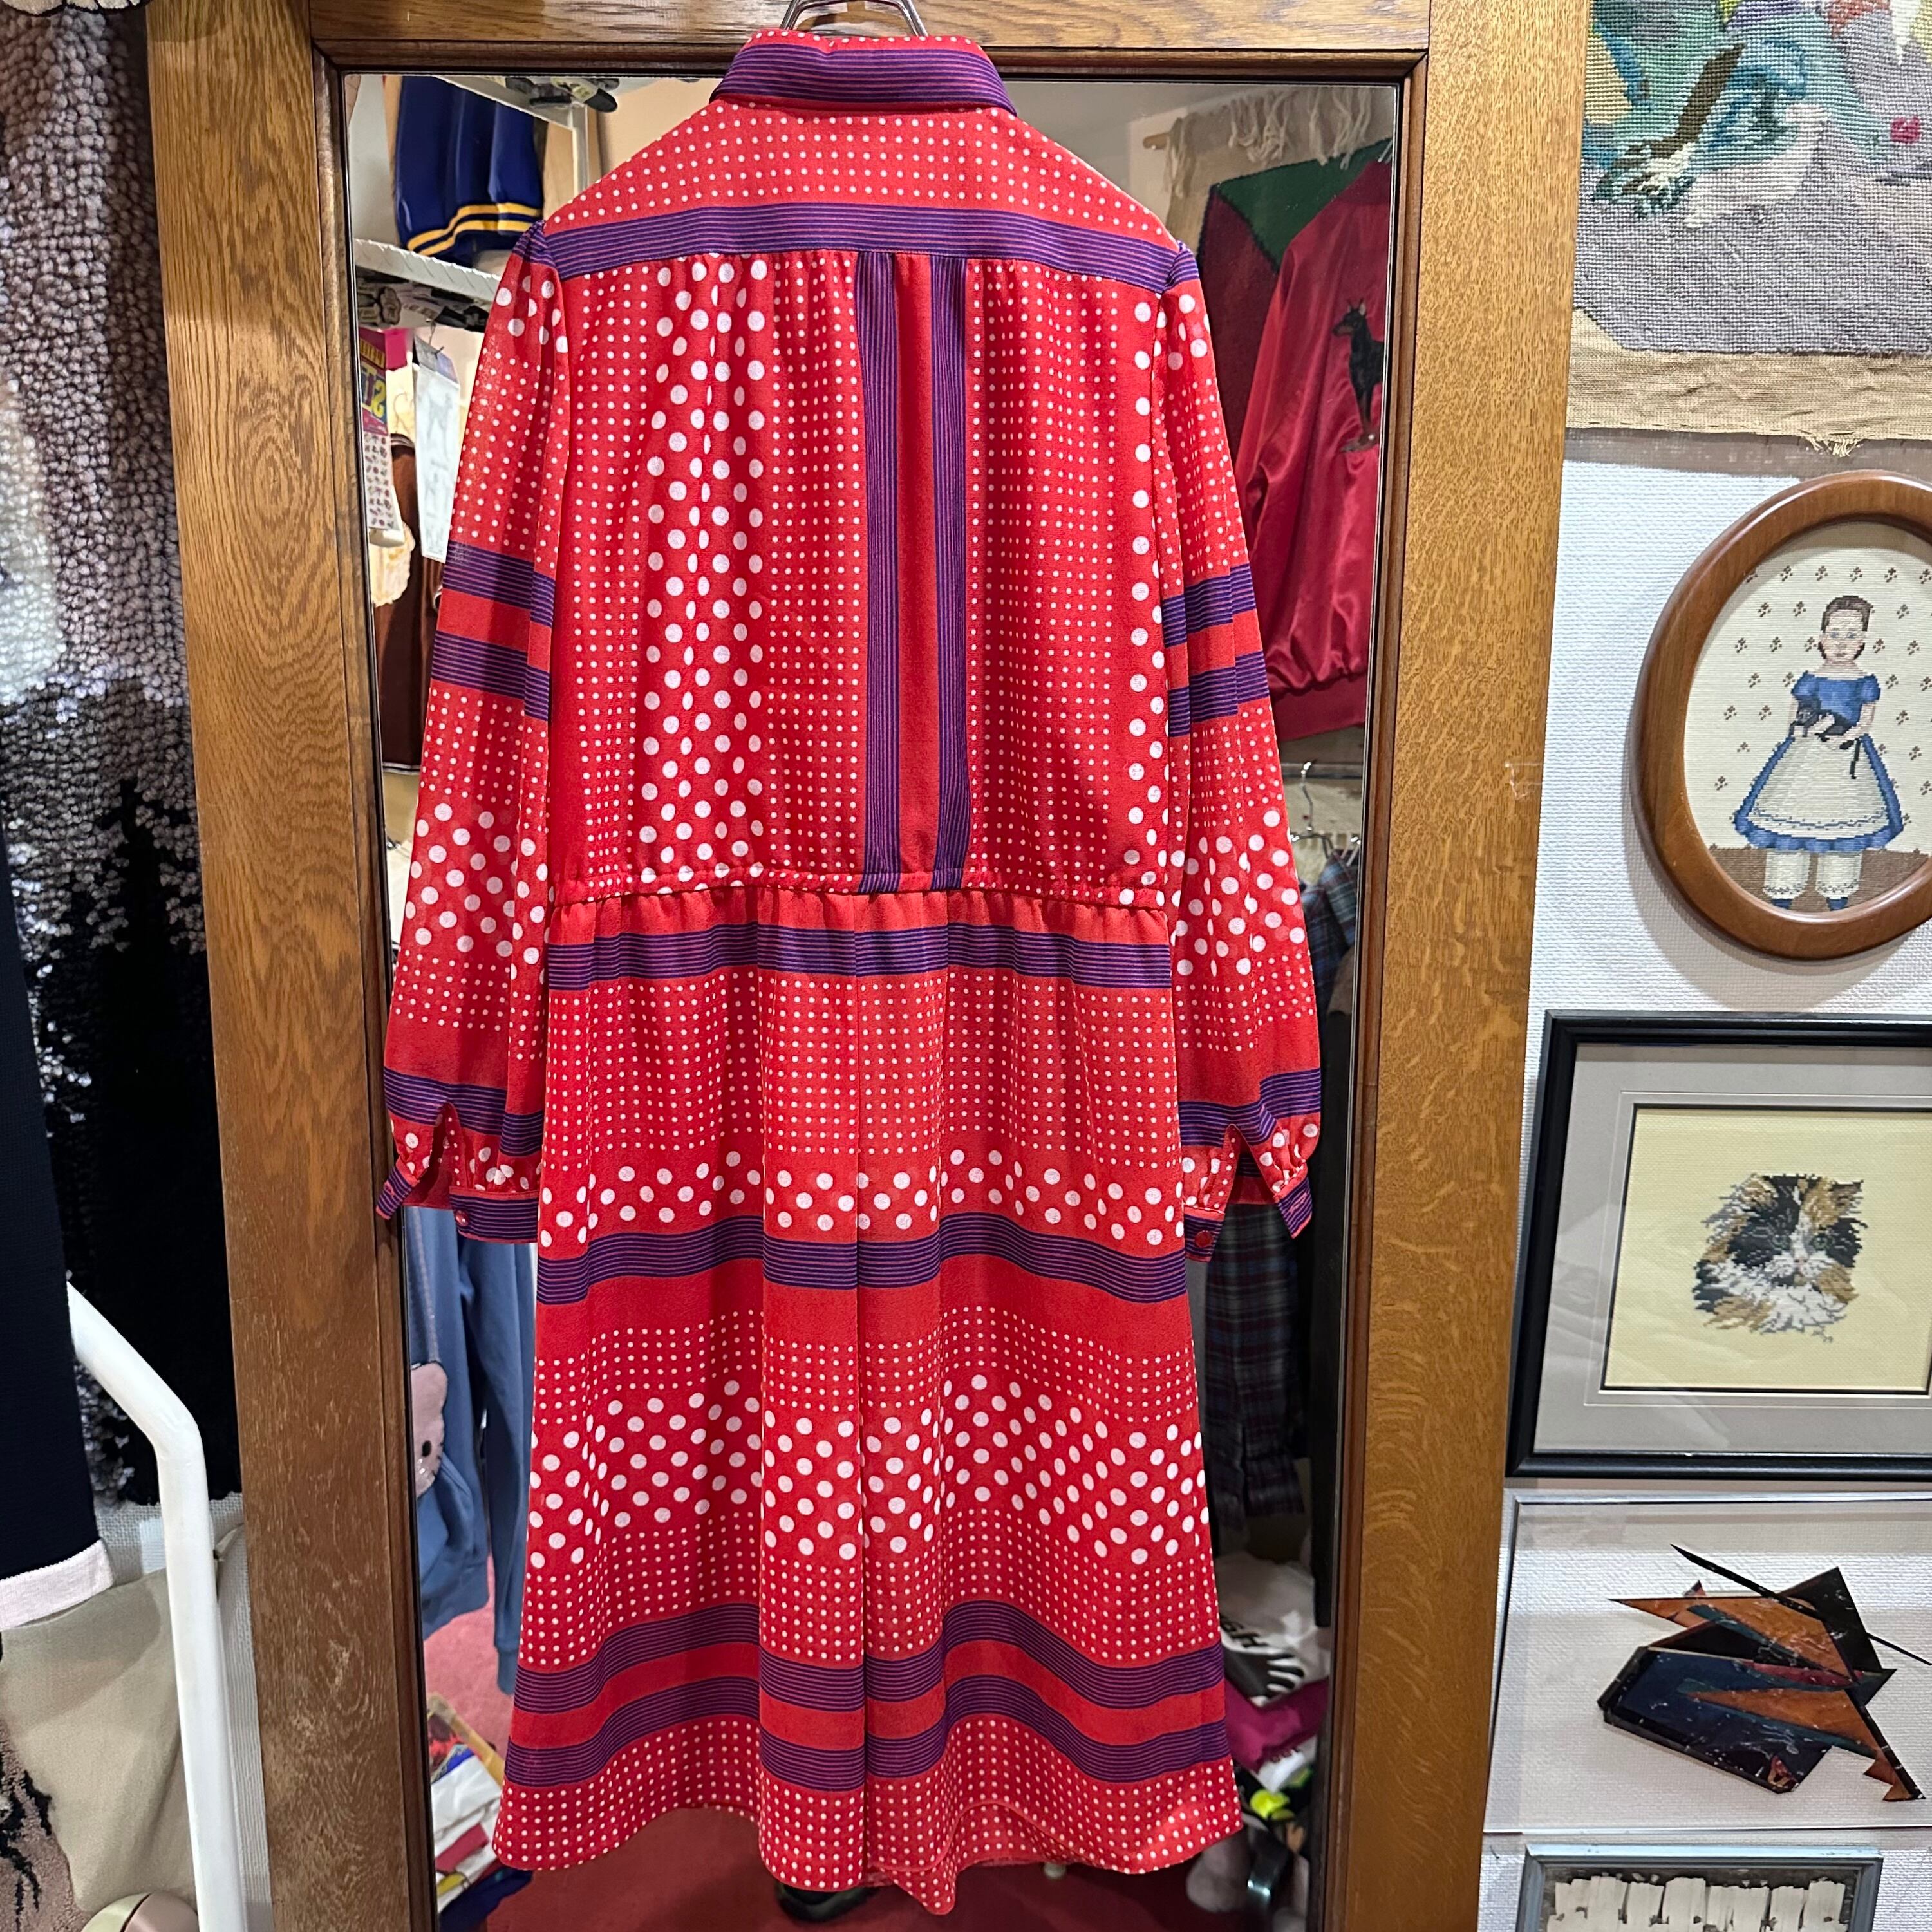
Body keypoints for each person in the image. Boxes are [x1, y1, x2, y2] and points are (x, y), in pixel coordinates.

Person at [1733, 592, 1904, 910]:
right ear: (1822, 638)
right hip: (1806, 757)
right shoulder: (1811, 679)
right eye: (1835, 635)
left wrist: (1846, 737)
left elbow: (1866, 722)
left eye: (1851, 636)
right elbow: (1794, 721)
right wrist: (1809, 730)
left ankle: (1837, 896)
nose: (1841, 643)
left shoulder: (1865, 681)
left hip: (1847, 759)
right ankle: (1783, 894)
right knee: (1790, 818)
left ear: (1862, 641)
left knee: (1844, 823)